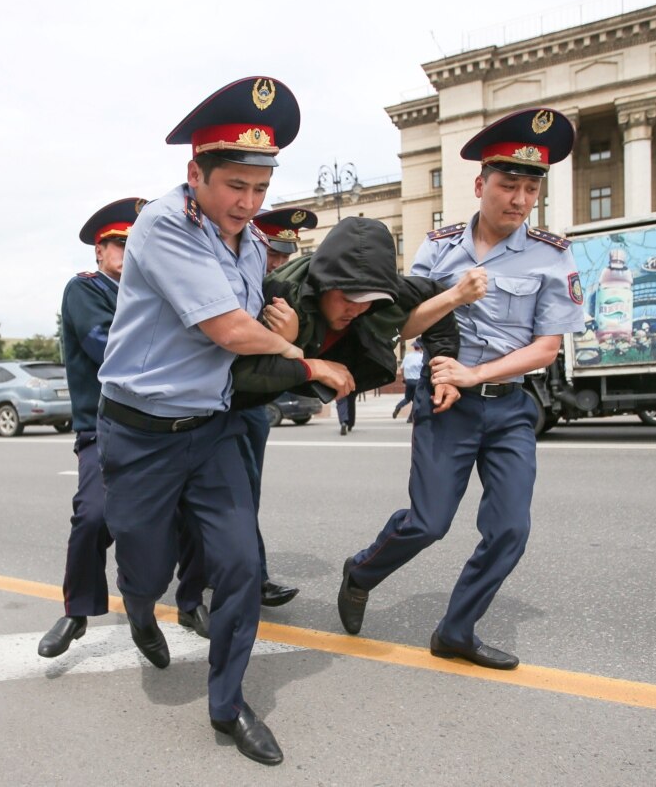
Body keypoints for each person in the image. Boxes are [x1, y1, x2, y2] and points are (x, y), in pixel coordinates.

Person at [96, 77, 329, 767]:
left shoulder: (251, 242)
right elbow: (228, 330)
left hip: (212, 427)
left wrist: (279, 321)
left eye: (260, 188)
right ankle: (138, 607)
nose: (248, 204)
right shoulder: (162, 225)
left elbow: (250, 319)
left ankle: (227, 705)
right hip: (140, 432)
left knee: (239, 564)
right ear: (193, 174)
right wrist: (302, 358)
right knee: (145, 565)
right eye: (235, 186)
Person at [336, 107, 585, 671]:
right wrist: (453, 298)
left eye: (529, 188)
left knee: (510, 530)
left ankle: (456, 629)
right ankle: (363, 571)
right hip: (445, 402)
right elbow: (403, 325)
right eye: (507, 185)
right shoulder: (440, 247)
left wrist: (474, 373)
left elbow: (547, 348)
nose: (519, 199)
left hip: (508, 406)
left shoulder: (551, 254)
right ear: (480, 185)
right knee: (428, 523)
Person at [37, 198, 210, 659]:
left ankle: (190, 602)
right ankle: (77, 612)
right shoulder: (86, 290)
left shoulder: (157, 288)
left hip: (169, 425)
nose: (130, 251)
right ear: (100, 251)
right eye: (120, 243)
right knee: (94, 515)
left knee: (194, 515)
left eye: (137, 243)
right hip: (105, 427)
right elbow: (108, 349)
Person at [229, 215, 486, 435]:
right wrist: (304, 359)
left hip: (274, 398)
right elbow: (238, 372)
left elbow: (436, 298)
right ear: (322, 285)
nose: (356, 309)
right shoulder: (279, 296)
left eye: (368, 300)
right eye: (346, 298)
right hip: (231, 405)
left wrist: (445, 371)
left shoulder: (384, 287)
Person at [238, 207, 318, 606]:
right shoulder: (231, 279)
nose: (279, 264)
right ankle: (243, 576)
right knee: (226, 498)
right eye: (273, 253)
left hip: (253, 408)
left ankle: (251, 575)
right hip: (216, 404)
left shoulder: (279, 292)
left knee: (245, 496)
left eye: (286, 256)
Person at [391, 340, 424, 421]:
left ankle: (398, 407)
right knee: (417, 399)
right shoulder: (422, 357)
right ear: (420, 348)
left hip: (409, 381)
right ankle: (411, 418)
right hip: (418, 381)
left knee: (407, 398)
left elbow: (402, 368)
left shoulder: (407, 356)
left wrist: (403, 377)